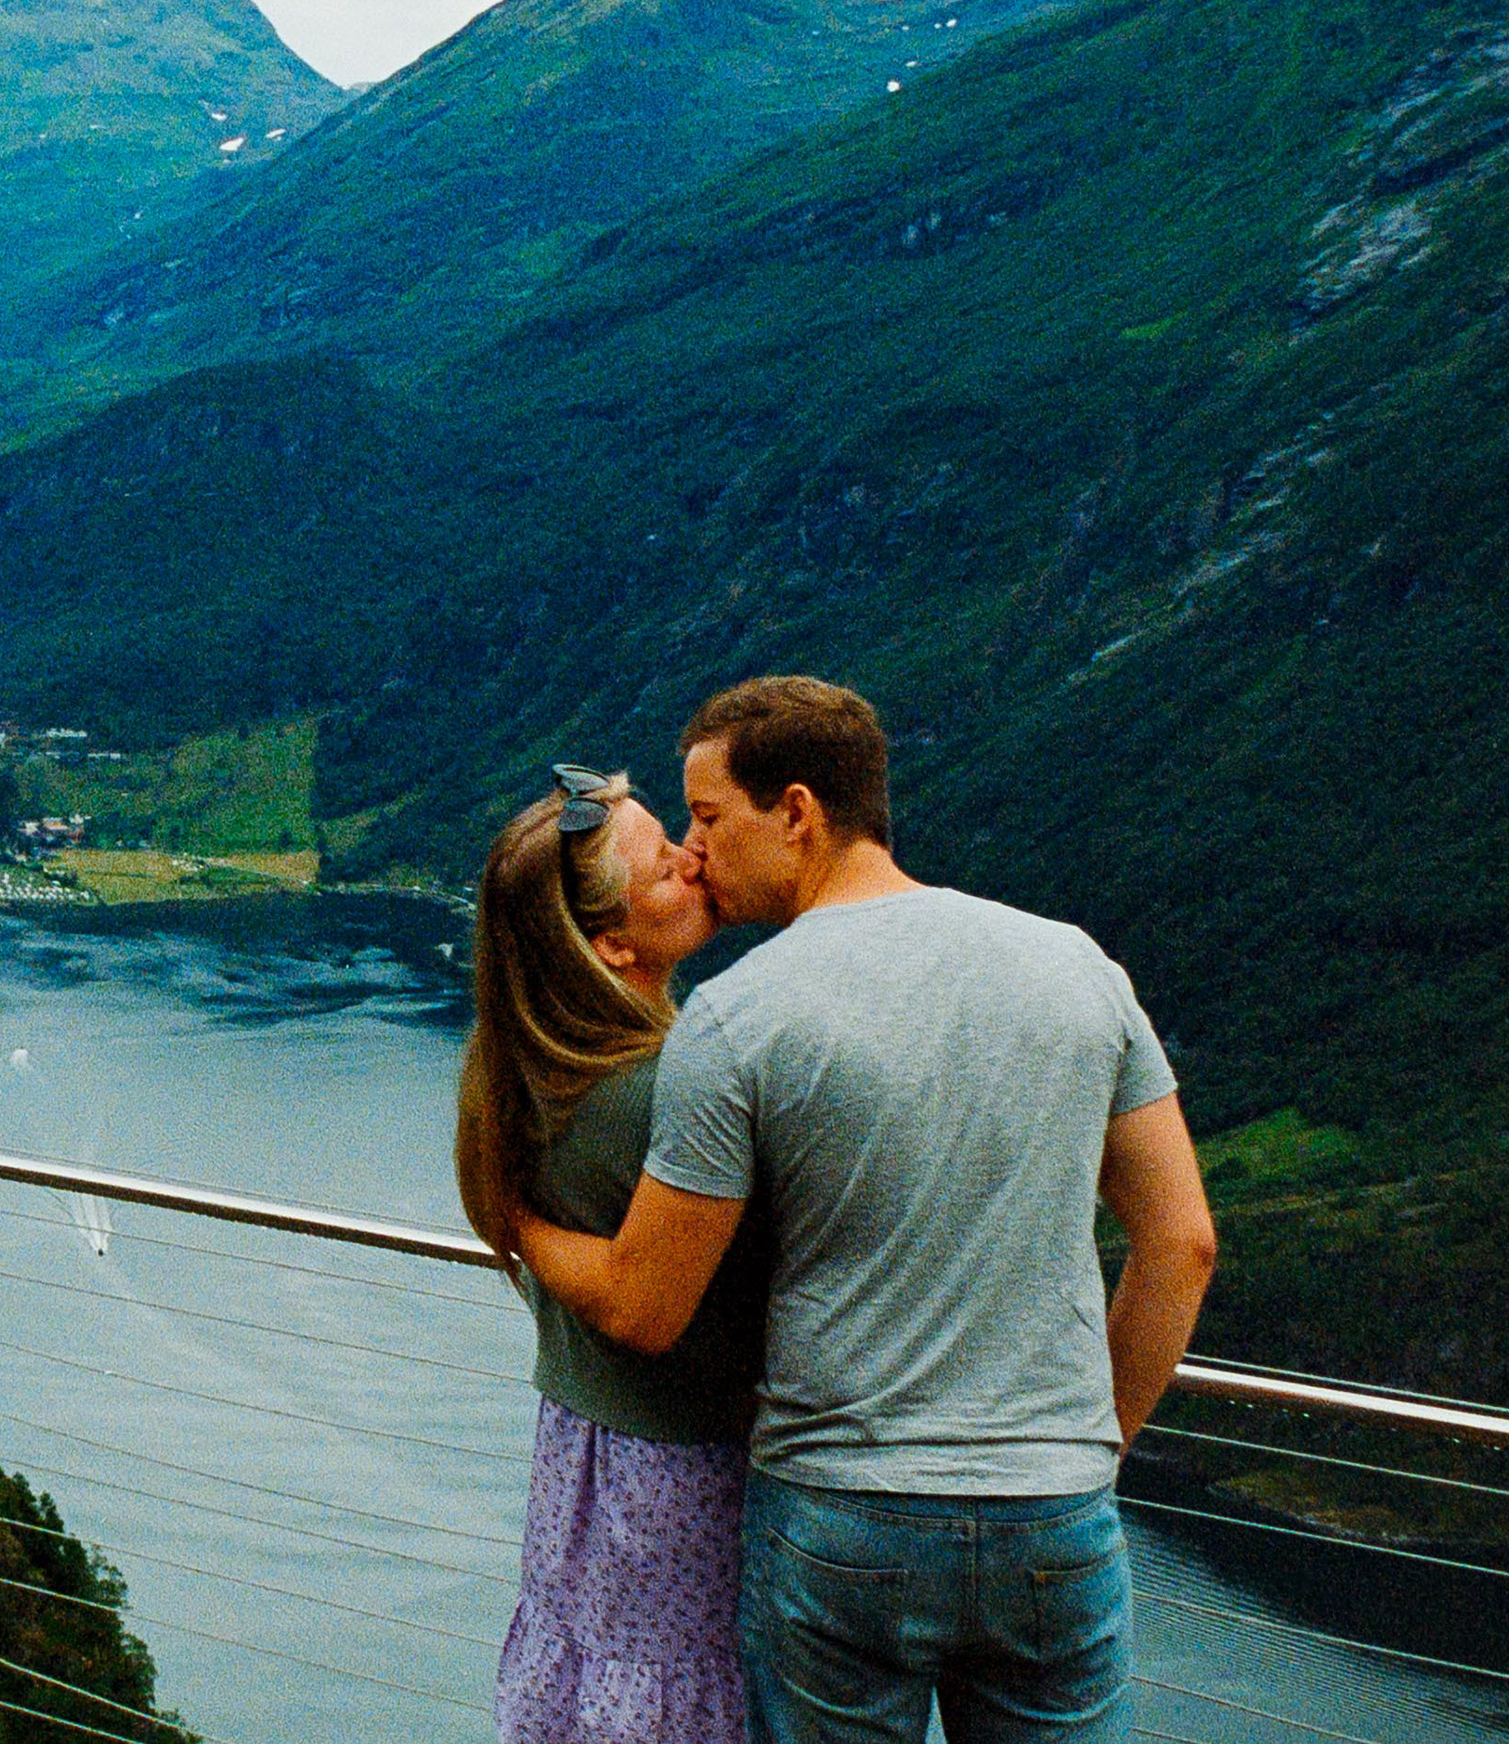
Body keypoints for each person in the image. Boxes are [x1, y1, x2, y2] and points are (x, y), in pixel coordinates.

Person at [516, 677, 1217, 1744]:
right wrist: (1084, 1454)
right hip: (1052, 1512)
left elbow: (648, 1302)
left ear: (796, 812)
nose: (694, 851)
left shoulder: (736, 1019)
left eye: (708, 817)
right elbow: (1182, 1242)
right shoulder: (1077, 965)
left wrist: (516, 1218)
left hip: (842, 1515)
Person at [457, 763, 766, 1744]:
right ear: (613, 946)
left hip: (583, 1463)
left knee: (593, 1685)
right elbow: (654, 1303)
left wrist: (518, 1225)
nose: (694, 855)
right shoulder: (665, 1091)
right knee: (674, 1696)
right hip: (679, 1483)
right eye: (664, 865)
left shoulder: (533, 1070)